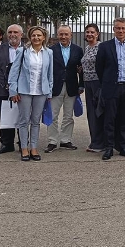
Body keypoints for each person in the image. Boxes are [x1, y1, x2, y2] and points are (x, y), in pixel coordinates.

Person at [7, 26, 54, 162]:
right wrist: (13, 90)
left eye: (39, 35)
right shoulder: (22, 51)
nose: (36, 38)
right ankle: (24, 148)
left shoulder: (48, 53)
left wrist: (49, 92)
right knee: (23, 121)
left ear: (44, 37)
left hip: (41, 92)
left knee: (35, 121)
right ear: (29, 37)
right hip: (24, 91)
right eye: (34, 35)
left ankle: (33, 147)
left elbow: (50, 74)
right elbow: (14, 72)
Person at [95, 17, 125, 160]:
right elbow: (99, 68)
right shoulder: (105, 46)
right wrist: (107, 82)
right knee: (109, 119)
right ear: (114, 29)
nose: (121, 31)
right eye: (118, 28)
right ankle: (109, 148)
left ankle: (123, 147)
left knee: (124, 119)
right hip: (111, 87)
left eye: (123, 28)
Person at [45, 25, 83, 153]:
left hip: (72, 86)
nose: (63, 37)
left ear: (71, 35)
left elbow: (81, 69)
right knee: (53, 115)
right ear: (57, 35)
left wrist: (81, 85)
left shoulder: (78, 50)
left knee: (68, 116)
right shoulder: (51, 50)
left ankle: (65, 140)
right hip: (55, 87)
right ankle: (52, 141)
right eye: (61, 34)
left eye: (66, 34)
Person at [0, 24, 24, 154]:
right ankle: (7, 143)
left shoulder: (27, 48)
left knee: (23, 117)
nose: (12, 34)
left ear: (21, 34)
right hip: (2, 88)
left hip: (23, 89)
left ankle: (23, 143)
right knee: (5, 117)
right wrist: (8, 85)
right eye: (10, 32)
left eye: (15, 32)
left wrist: (18, 86)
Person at [81, 23, 105, 153]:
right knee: (91, 113)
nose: (89, 34)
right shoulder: (87, 48)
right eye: (87, 32)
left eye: (92, 32)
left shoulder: (101, 47)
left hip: (97, 83)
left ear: (97, 34)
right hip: (87, 83)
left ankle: (101, 143)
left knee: (98, 112)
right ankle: (95, 141)